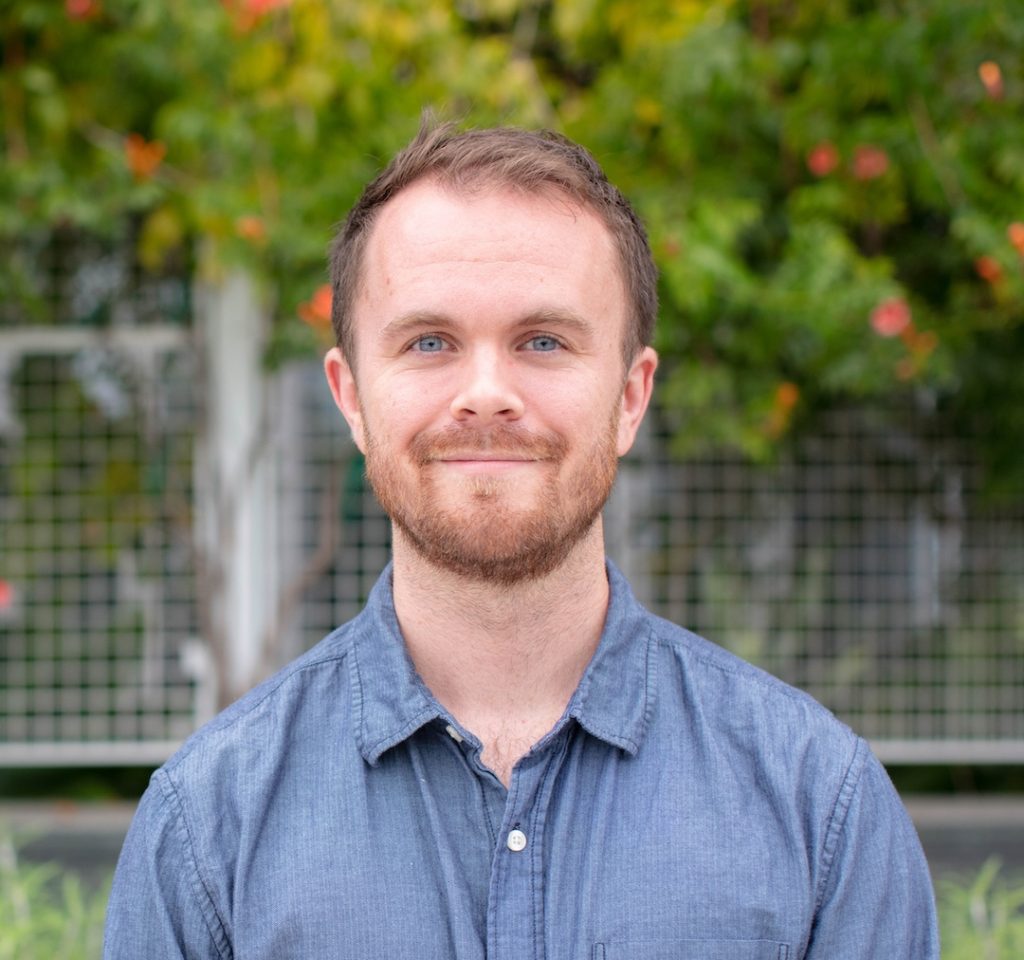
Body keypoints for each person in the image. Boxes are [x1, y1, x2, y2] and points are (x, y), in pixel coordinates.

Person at [104, 122, 939, 959]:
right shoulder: (208, 825)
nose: (487, 393)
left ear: (631, 396)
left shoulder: (817, 806)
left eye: (543, 341)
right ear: (351, 396)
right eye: (430, 342)